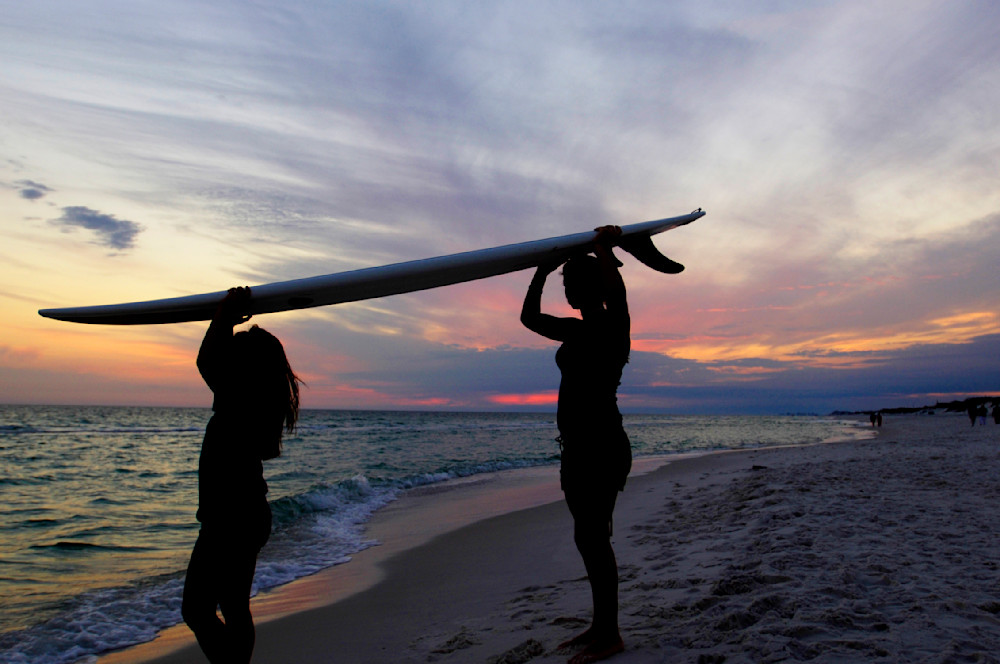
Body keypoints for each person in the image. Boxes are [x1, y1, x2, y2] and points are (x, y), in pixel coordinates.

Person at [520, 226, 632, 664]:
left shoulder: (613, 326)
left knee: (593, 537)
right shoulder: (575, 330)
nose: (567, 289)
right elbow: (530, 320)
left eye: (570, 282)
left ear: (592, 285)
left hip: (602, 447)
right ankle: (601, 625)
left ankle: (610, 634)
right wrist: (542, 273)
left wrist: (604, 249)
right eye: (564, 284)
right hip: (577, 449)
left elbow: (617, 294)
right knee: (588, 538)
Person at [181, 287, 301, 664]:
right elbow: (215, 361)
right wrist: (228, 322)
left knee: (198, 610)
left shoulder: (238, 402)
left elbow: (207, 361)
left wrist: (225, 318)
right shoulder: (256, 402)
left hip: (230, 522)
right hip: (244, 517)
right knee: (233, 608)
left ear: (244, 369)